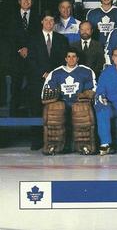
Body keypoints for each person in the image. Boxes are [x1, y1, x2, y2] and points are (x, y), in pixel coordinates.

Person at [41, 48, 96, 155]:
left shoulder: (86, 71)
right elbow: (46, 92)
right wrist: (53, 97)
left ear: (78, 59)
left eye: (74, 56)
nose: (71, 59)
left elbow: (93, 89)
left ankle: (85, 145)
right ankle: (53, 145)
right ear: (65, 59)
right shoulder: (56, 73)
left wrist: (85, 95)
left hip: (78, 103)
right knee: (55, 110)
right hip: (62, 102)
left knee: (81, 110)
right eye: (69, 56)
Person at [27, 10, 69, 149]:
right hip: (37, 80)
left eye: (51, 20)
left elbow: (64, 60)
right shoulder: (33, 39)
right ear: (42, 22)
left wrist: (53, 75)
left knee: (56, 111)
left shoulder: (62, 39)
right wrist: (43, 73)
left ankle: (55, 140)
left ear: (55, 23)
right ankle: (36, 141)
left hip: (56, 80)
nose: (49, 23)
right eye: (46, 20)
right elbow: (30, 59)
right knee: (36, 109)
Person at [8, 0, 40, 116]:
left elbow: (38, 37)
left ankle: (34, 119)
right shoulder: (11, 17)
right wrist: (20, 48)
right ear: (19, 1)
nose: (26, 1)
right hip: (16, 58)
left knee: (33, 88)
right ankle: (13, 117)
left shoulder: (38, 18)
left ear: (32, 1)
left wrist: (28, 49)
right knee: (15, 87)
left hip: (32, 58)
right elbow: (8, 36)